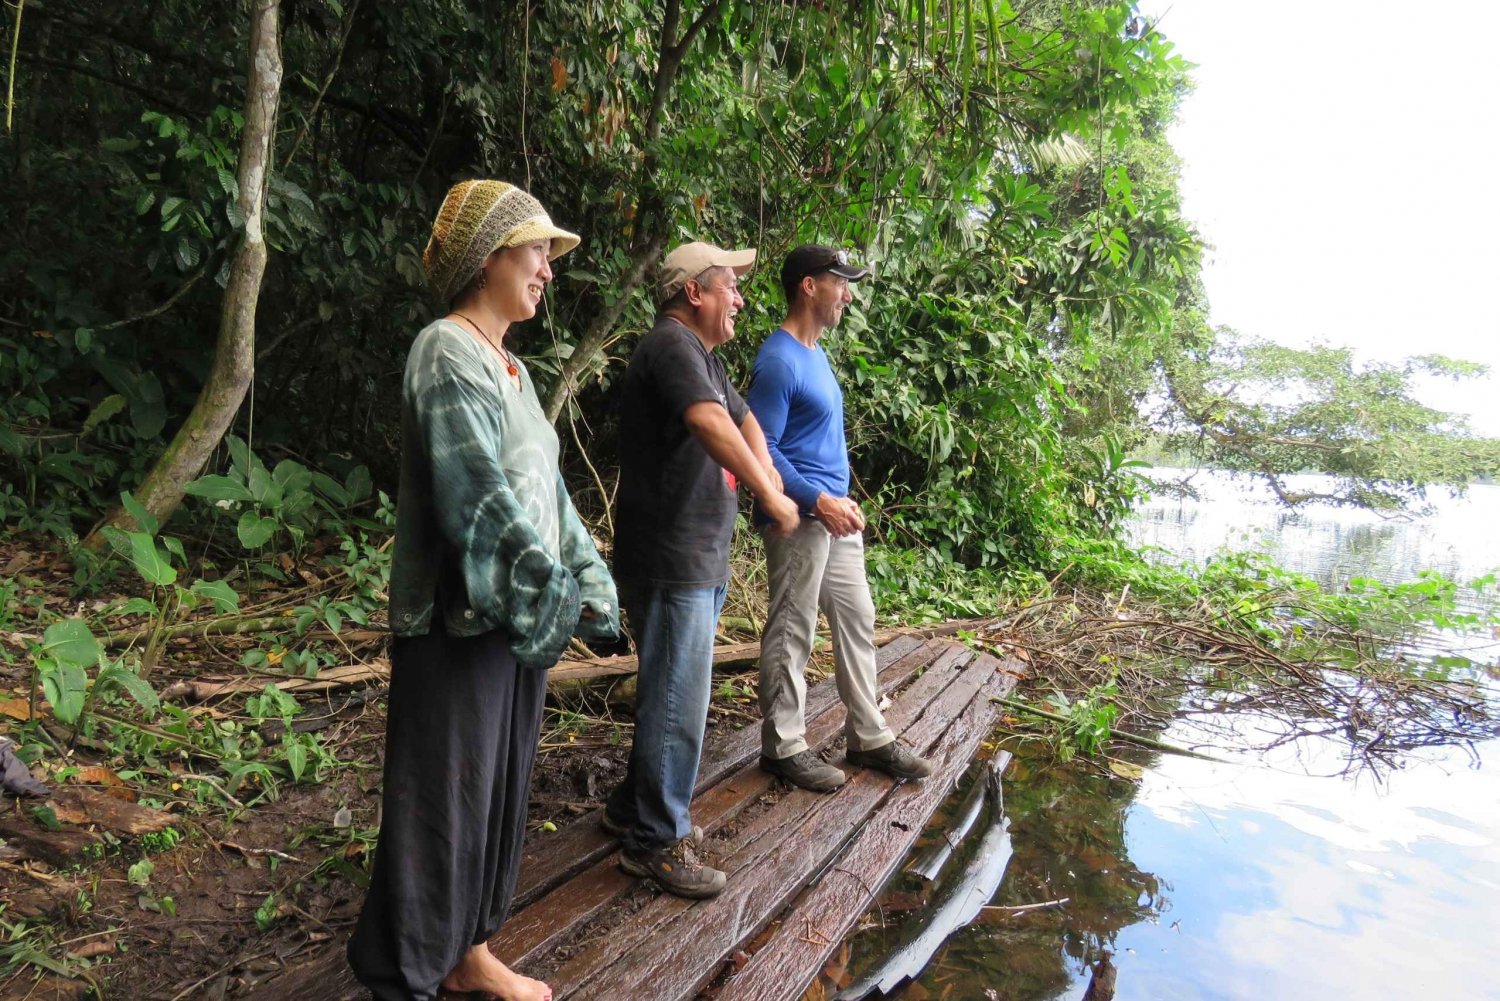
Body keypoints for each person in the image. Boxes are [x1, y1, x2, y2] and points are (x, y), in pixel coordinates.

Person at [347, 180, 619, 1001]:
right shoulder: (446, 349)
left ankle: (466, 951)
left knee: (494, 794)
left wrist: (593, 582)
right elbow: (477, 497)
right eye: (537, 250)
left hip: (513, 616)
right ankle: (404, 973)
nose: (547, 269)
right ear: (491, 257)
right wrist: (551, 592)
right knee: (443, 801)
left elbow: (552, 498)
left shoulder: (514, 369)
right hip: (458, 618)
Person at [605, 241, 800, 899]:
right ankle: (656, 841)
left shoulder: (704, 359)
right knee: (676, 699)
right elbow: (709, 422)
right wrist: (770, 496)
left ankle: (634, 805)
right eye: (730, 287)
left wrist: (768, 470)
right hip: (670, 558)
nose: (740, 299)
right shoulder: (669, 347)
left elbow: (743, 421)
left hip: (697, 555)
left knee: (673, 688)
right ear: (694, 292)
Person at [746, 245, 933, 793]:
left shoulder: (817, 355)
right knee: (793, 627)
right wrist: (815, 500)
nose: (848, 294)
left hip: (836, 517)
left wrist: (839, 502)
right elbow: (763, 447)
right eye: (840, 283)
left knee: (858, 619)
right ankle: (783, 746)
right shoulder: (778, 359)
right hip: (801, 517)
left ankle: (869, 736)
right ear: (809, 286)